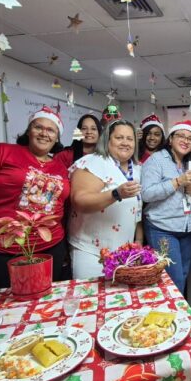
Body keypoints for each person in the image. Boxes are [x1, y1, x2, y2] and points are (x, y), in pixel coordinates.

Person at [0, 107, 69, 289]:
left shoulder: (60, 167)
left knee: (47, 305)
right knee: (7, 308)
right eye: (38, 127)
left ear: (57, 137)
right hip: (2, 251)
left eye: (51, 130)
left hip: (51, 248)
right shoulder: (2, 152)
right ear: (29, 131)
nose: (44, 133)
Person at [69, 116, 142, 279]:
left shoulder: (136, 169)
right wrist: (116, 194)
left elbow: (137, 211)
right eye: (119, 137)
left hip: (124, 252)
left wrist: (138, 241)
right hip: (92, 252)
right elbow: (79, 200)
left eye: (130, 139)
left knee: (119, 301)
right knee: (90, 300)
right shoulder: (92, 163)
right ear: (107, 140)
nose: (125, 142)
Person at [141, 120, 191, 292]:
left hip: (186, 228)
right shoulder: (156, 160)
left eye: (190, 138)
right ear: (170, 139)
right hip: (162, 227)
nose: (186, 140)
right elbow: (147, 193)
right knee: (174, 280)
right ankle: (172, 317)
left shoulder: (189, 164)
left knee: (183, 274)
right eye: (181, 136)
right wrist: (177, 182)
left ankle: (174, 316)